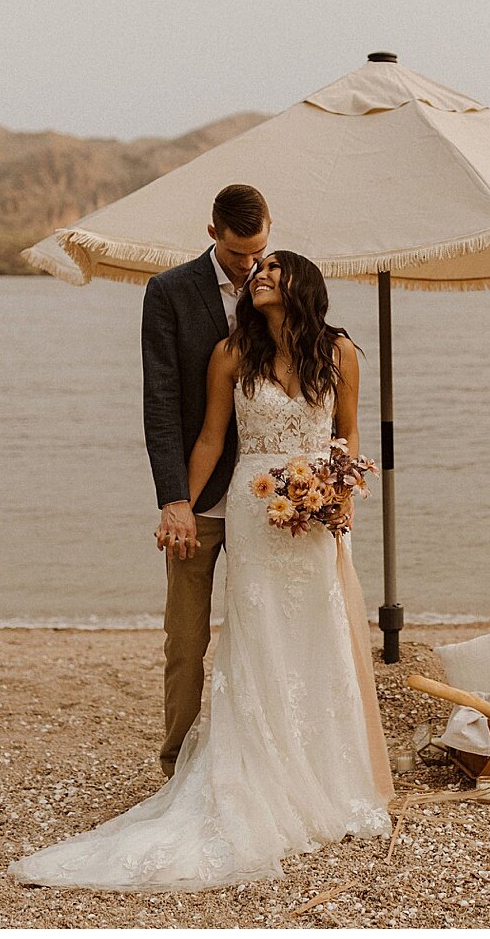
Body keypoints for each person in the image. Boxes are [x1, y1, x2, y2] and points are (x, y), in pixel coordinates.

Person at [9, 251, 394, 892]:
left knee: (318, 633)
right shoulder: (231, 353)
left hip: (317, 514)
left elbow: (347, 437)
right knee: (259, 635)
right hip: (251, 506)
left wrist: (340, 493)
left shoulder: (341, 354)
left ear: (305, 285)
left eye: (275, 268)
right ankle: (256, 774)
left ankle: (327, 776)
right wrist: (180, 507)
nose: (262, 275)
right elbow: (213, 439)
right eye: (257, 268)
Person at [141, 184, 270, 778]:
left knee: (263, 636)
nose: (250, 267)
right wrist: (175, 501)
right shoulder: (168, 292)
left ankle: (249, 760)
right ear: (212, 233)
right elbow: (162, 401)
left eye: (259, 251)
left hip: (267, 502)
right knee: (186, 641)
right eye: (239, 254)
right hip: (196, 499)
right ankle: (177, 763)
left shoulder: (280, 286)